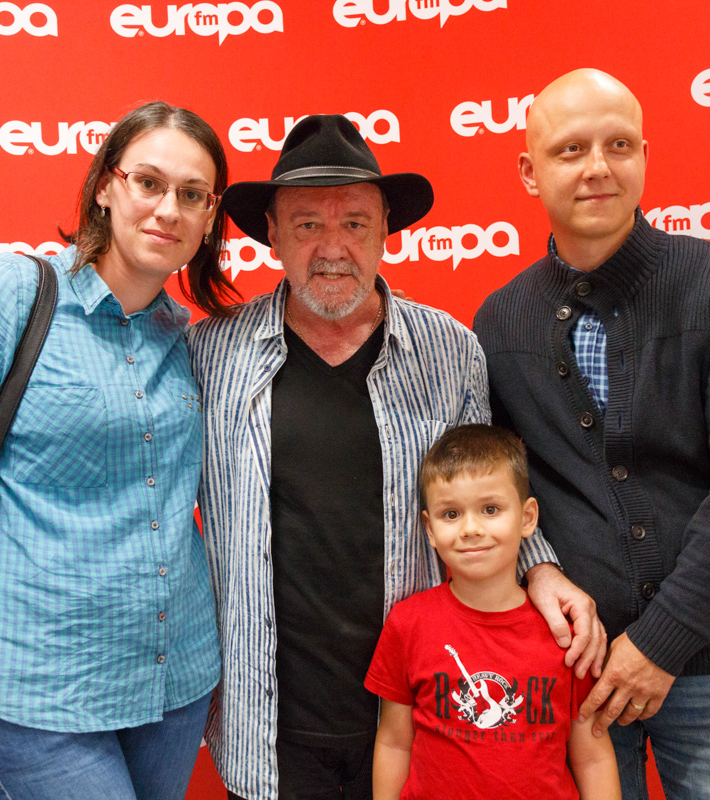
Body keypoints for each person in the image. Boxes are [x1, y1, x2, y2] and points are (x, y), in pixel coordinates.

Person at [187, 114, 604, 800]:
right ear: (272, 235)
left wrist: (542, 567)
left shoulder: (450, 351)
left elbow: (487, 487)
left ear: (386, 229)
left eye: (354, 223)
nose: (333, 248)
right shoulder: (211, 354)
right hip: (266, 727)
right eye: (307, 224)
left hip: (425, 721)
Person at [0, 101, 238, 800]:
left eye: (193, 195)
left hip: (174, 684)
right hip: (35, 691)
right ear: (105, 187)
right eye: (148, 182)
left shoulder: (184, 335)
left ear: (211, 216)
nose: (168, 209)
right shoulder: (16, 293)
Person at [474, 69, 710, 799]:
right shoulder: (499, 321)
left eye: (618, 145)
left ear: (645, 157)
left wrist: (661, 643)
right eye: (571, 149)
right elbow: (500, 486)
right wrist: (540, 570)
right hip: (574, 671)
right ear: (529, 172)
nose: (597, 167)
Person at [366, 424, 620, 800]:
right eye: (451, 514)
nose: (470, 528)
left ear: (527, 517)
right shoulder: (408, 624)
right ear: (429, 528)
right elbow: (393, 743)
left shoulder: (566, 633)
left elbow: (592, 757)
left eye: (490, 509)